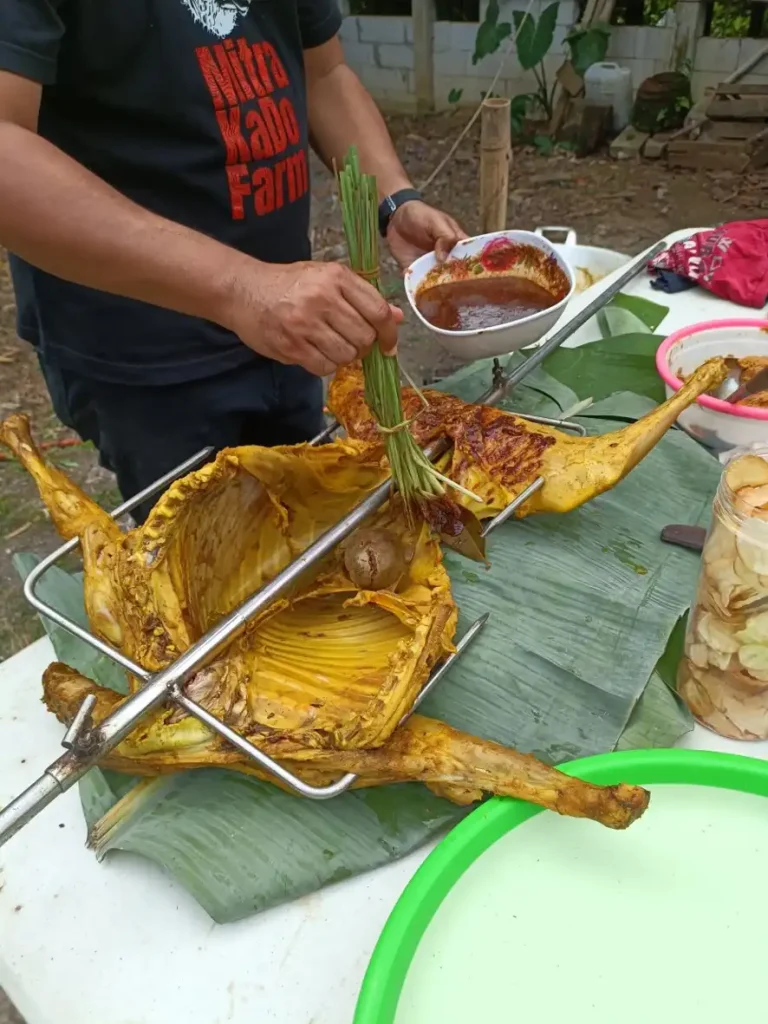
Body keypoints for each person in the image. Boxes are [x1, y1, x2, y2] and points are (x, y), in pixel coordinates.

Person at [0, 1, 466, 520]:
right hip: (149, 353)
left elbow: (324, 74)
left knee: (303, 520)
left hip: (290, 322)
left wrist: (394, 200)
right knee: (208, 550)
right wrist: (244, 288)